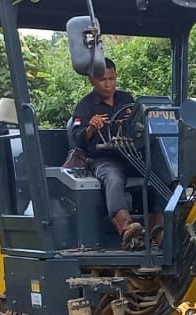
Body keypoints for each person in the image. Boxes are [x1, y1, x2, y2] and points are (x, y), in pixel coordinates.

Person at [70, 58, 145, 246]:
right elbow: (77, 138)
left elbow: (140, 127)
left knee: (157, 171)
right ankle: (127, 229)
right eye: (103, 79)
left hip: (130, 156)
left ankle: (161, 227)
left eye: (112, 78)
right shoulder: (85, 106)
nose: (108, 83)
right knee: (113, 177)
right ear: (92, 81)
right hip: (102, 159)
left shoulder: (126, 100)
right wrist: (91, 129)